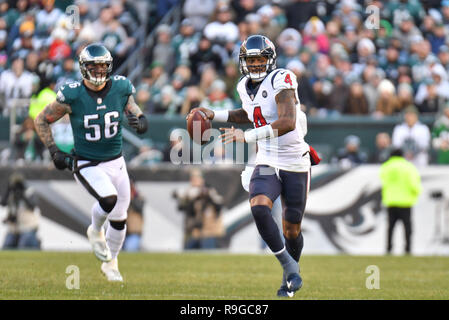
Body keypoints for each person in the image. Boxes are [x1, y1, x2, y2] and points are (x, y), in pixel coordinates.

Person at [187, 35, 312, 297]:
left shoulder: (282, 79)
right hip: (266, 158)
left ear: (270, 59)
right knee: (258, 207)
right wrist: (214, 113)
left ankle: (289, 273)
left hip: (293, 158)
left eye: (259, 59)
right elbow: (249, 113)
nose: (255, 64)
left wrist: (248, 136)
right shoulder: (244, 85)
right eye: (250, 60)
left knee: (292, 228)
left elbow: (287, 121)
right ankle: (289, 266)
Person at [34, 43, 148, 282]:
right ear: (83, 68)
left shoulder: (120, 87)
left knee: (119, 219)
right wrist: (54, 151)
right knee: (108, 199)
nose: (98, 71)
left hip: (116, 162)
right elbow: (41, 119)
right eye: (93, 67)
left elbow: (133, 108)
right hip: (87, 162)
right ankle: (95, 230)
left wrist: (140, 119)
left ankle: (111, 265)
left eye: (102, 66)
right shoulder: (73, 94)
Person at [380, 148, 422, 255]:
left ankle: (389, 248)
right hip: (405, 201)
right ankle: (407, 249)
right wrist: (417, 193)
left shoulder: (386, 167)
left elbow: (382, 179)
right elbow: (414, 183)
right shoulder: (408, 167)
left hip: (391, 201)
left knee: (390, 227)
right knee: (407, 227)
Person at [1, 173, 41, 249]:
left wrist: (22, 194)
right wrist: (8, 190)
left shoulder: (30, 192)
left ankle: (35, 244)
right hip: (15, 230)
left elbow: (33, 206)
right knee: (6, 247)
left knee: (22, 246)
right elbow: (3, 203)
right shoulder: (12, 195)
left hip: (28, 228)